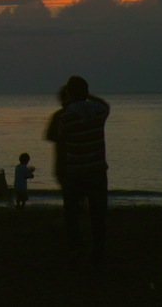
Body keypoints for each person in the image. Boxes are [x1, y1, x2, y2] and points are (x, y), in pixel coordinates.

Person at [58, 75, 110, 265]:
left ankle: (75, 248)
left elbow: (63, 143)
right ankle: (97, 253)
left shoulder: (66, 117)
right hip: (97, 171)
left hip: (75, 172)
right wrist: (89, 96)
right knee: (98, 215)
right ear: (86, 92)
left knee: (71, 214)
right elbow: (105, 105)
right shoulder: (98, 112)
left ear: (69, 93)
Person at [44, 85, 72, 195]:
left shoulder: (58, 116)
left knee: (68, 194)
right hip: (77, 162)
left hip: (63, 162)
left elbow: (49, 136)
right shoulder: (85, 115)